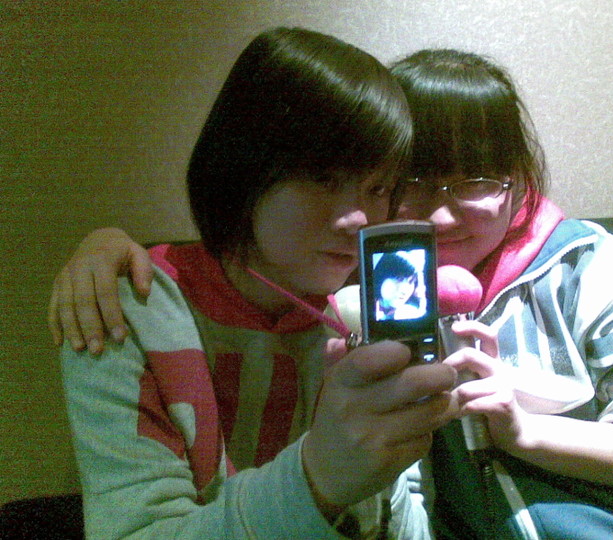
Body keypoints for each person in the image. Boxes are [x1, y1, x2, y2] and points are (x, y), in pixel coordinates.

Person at [50, 48, 613, 538]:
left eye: (474, 180)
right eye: (410, 181)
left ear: (516, 179)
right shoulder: (352, 292)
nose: (441, 214)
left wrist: (524, 431)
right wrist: (103, 244)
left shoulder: (589, 270)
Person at [54, 27, 464, 539]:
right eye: (322, 178)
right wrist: (316, 480)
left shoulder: (350, 321)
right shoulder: (128, 307)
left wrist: (383, 469)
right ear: (244, 167)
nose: (359, 217)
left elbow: (404, 524)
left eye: (377, 188)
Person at [373, 252, 425, 321]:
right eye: (399, 279)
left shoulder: (412, 313)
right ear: (382, 277)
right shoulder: (366, 306)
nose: (405, 290)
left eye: (411, 282)